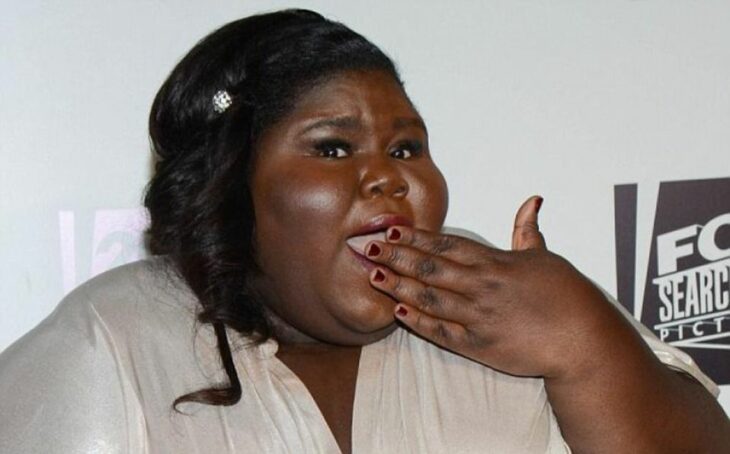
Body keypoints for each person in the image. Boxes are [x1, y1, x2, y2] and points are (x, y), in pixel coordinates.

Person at [0, 9, 728, 454]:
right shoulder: (113, 341)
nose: (389, 178)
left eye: (407, 148)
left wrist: (585, 346)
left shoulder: (502, 299)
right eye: (334, 148)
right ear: (228, 183)